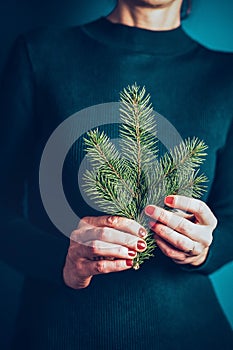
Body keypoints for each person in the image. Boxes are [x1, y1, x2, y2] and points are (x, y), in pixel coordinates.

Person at [0, 0, 233, 349]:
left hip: (192, 334)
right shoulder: (40, 53)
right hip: (59, 332)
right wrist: (61, 259)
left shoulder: (225, 76)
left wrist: (203, 249)